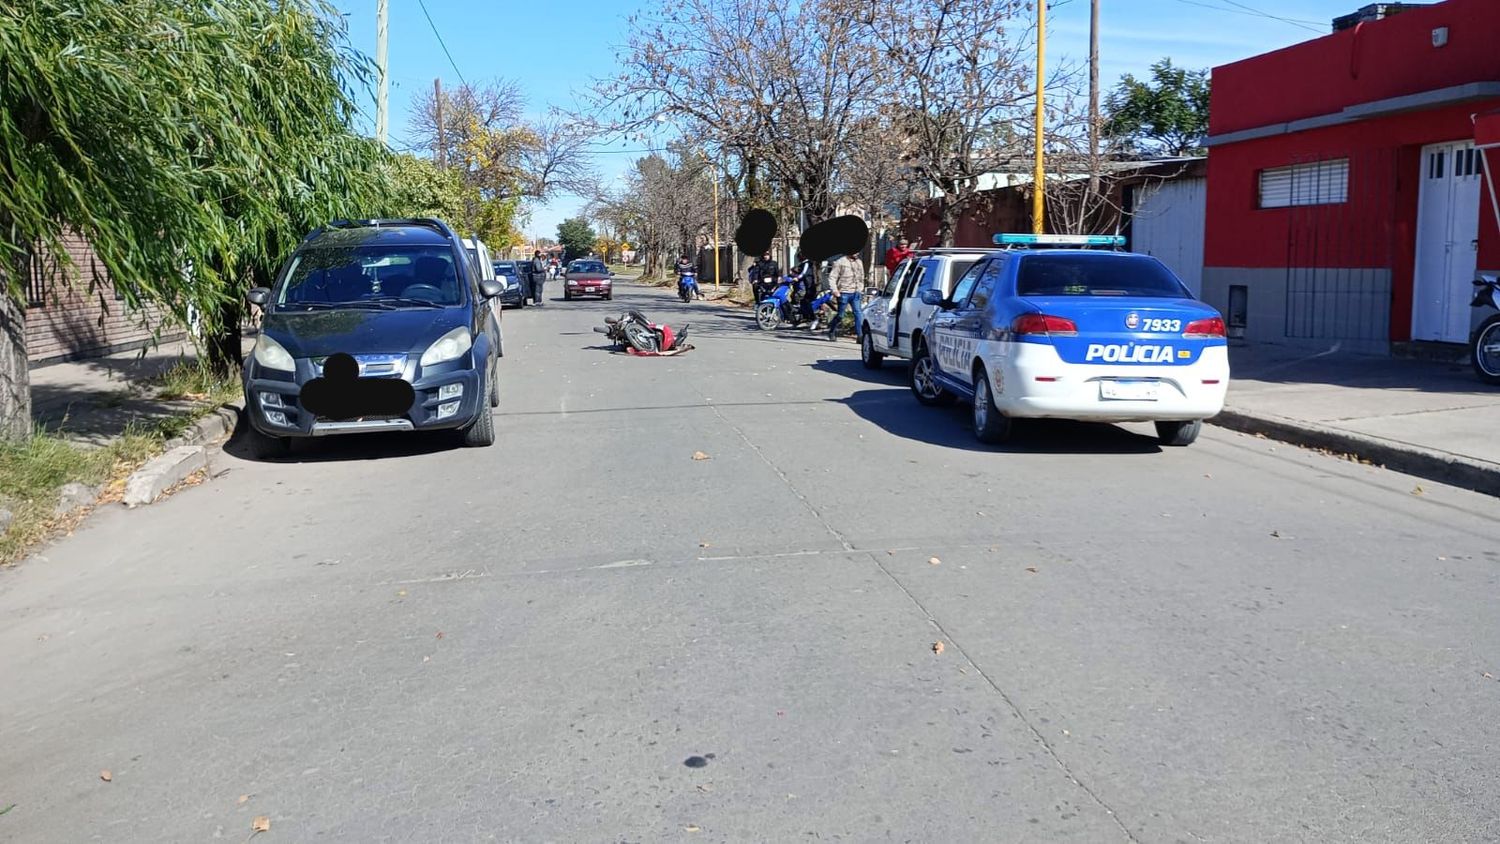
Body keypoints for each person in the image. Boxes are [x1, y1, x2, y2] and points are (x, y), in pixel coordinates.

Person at [824, 251, 865, 341]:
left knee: (858, 314)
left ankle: (860, 336)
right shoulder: (840, 262)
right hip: (844, 292)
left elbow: (861, 276)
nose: (856, 253)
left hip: (856, 292)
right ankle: (832, 331)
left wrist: (860, 288)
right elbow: (832, 277)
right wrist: (835, 290)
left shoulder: (859, 262)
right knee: (840, 315)